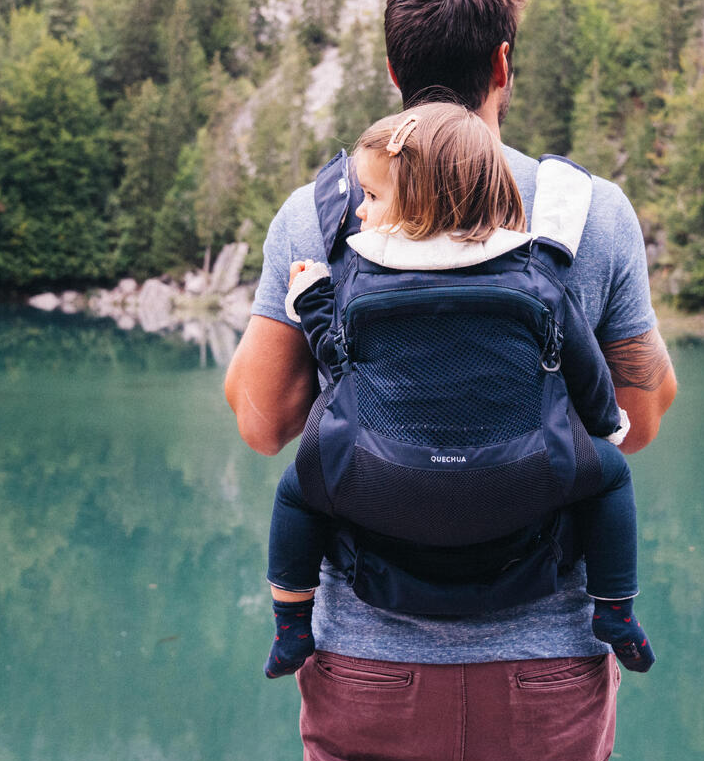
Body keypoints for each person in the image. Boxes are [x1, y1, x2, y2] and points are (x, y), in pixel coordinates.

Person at [225, 0, 678, 761]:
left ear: (394, 75)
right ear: (503, 66)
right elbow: (638, 423)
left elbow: (261, 422)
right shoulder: (592, 212)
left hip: (366, 665)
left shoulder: (323, 210)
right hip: (545, 669)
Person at [261, 102, 654, 680]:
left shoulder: (359, 283)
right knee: (612, 476)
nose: (361, 215)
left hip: (380, 481)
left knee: (297, 493)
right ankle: (616, 610)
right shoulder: (537, 279)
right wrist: (608, 424)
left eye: (371, 198)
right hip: (520, 481)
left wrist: (312, 299)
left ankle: (293, 625)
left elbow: (335, 363)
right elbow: (586, 370)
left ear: (422, 202)